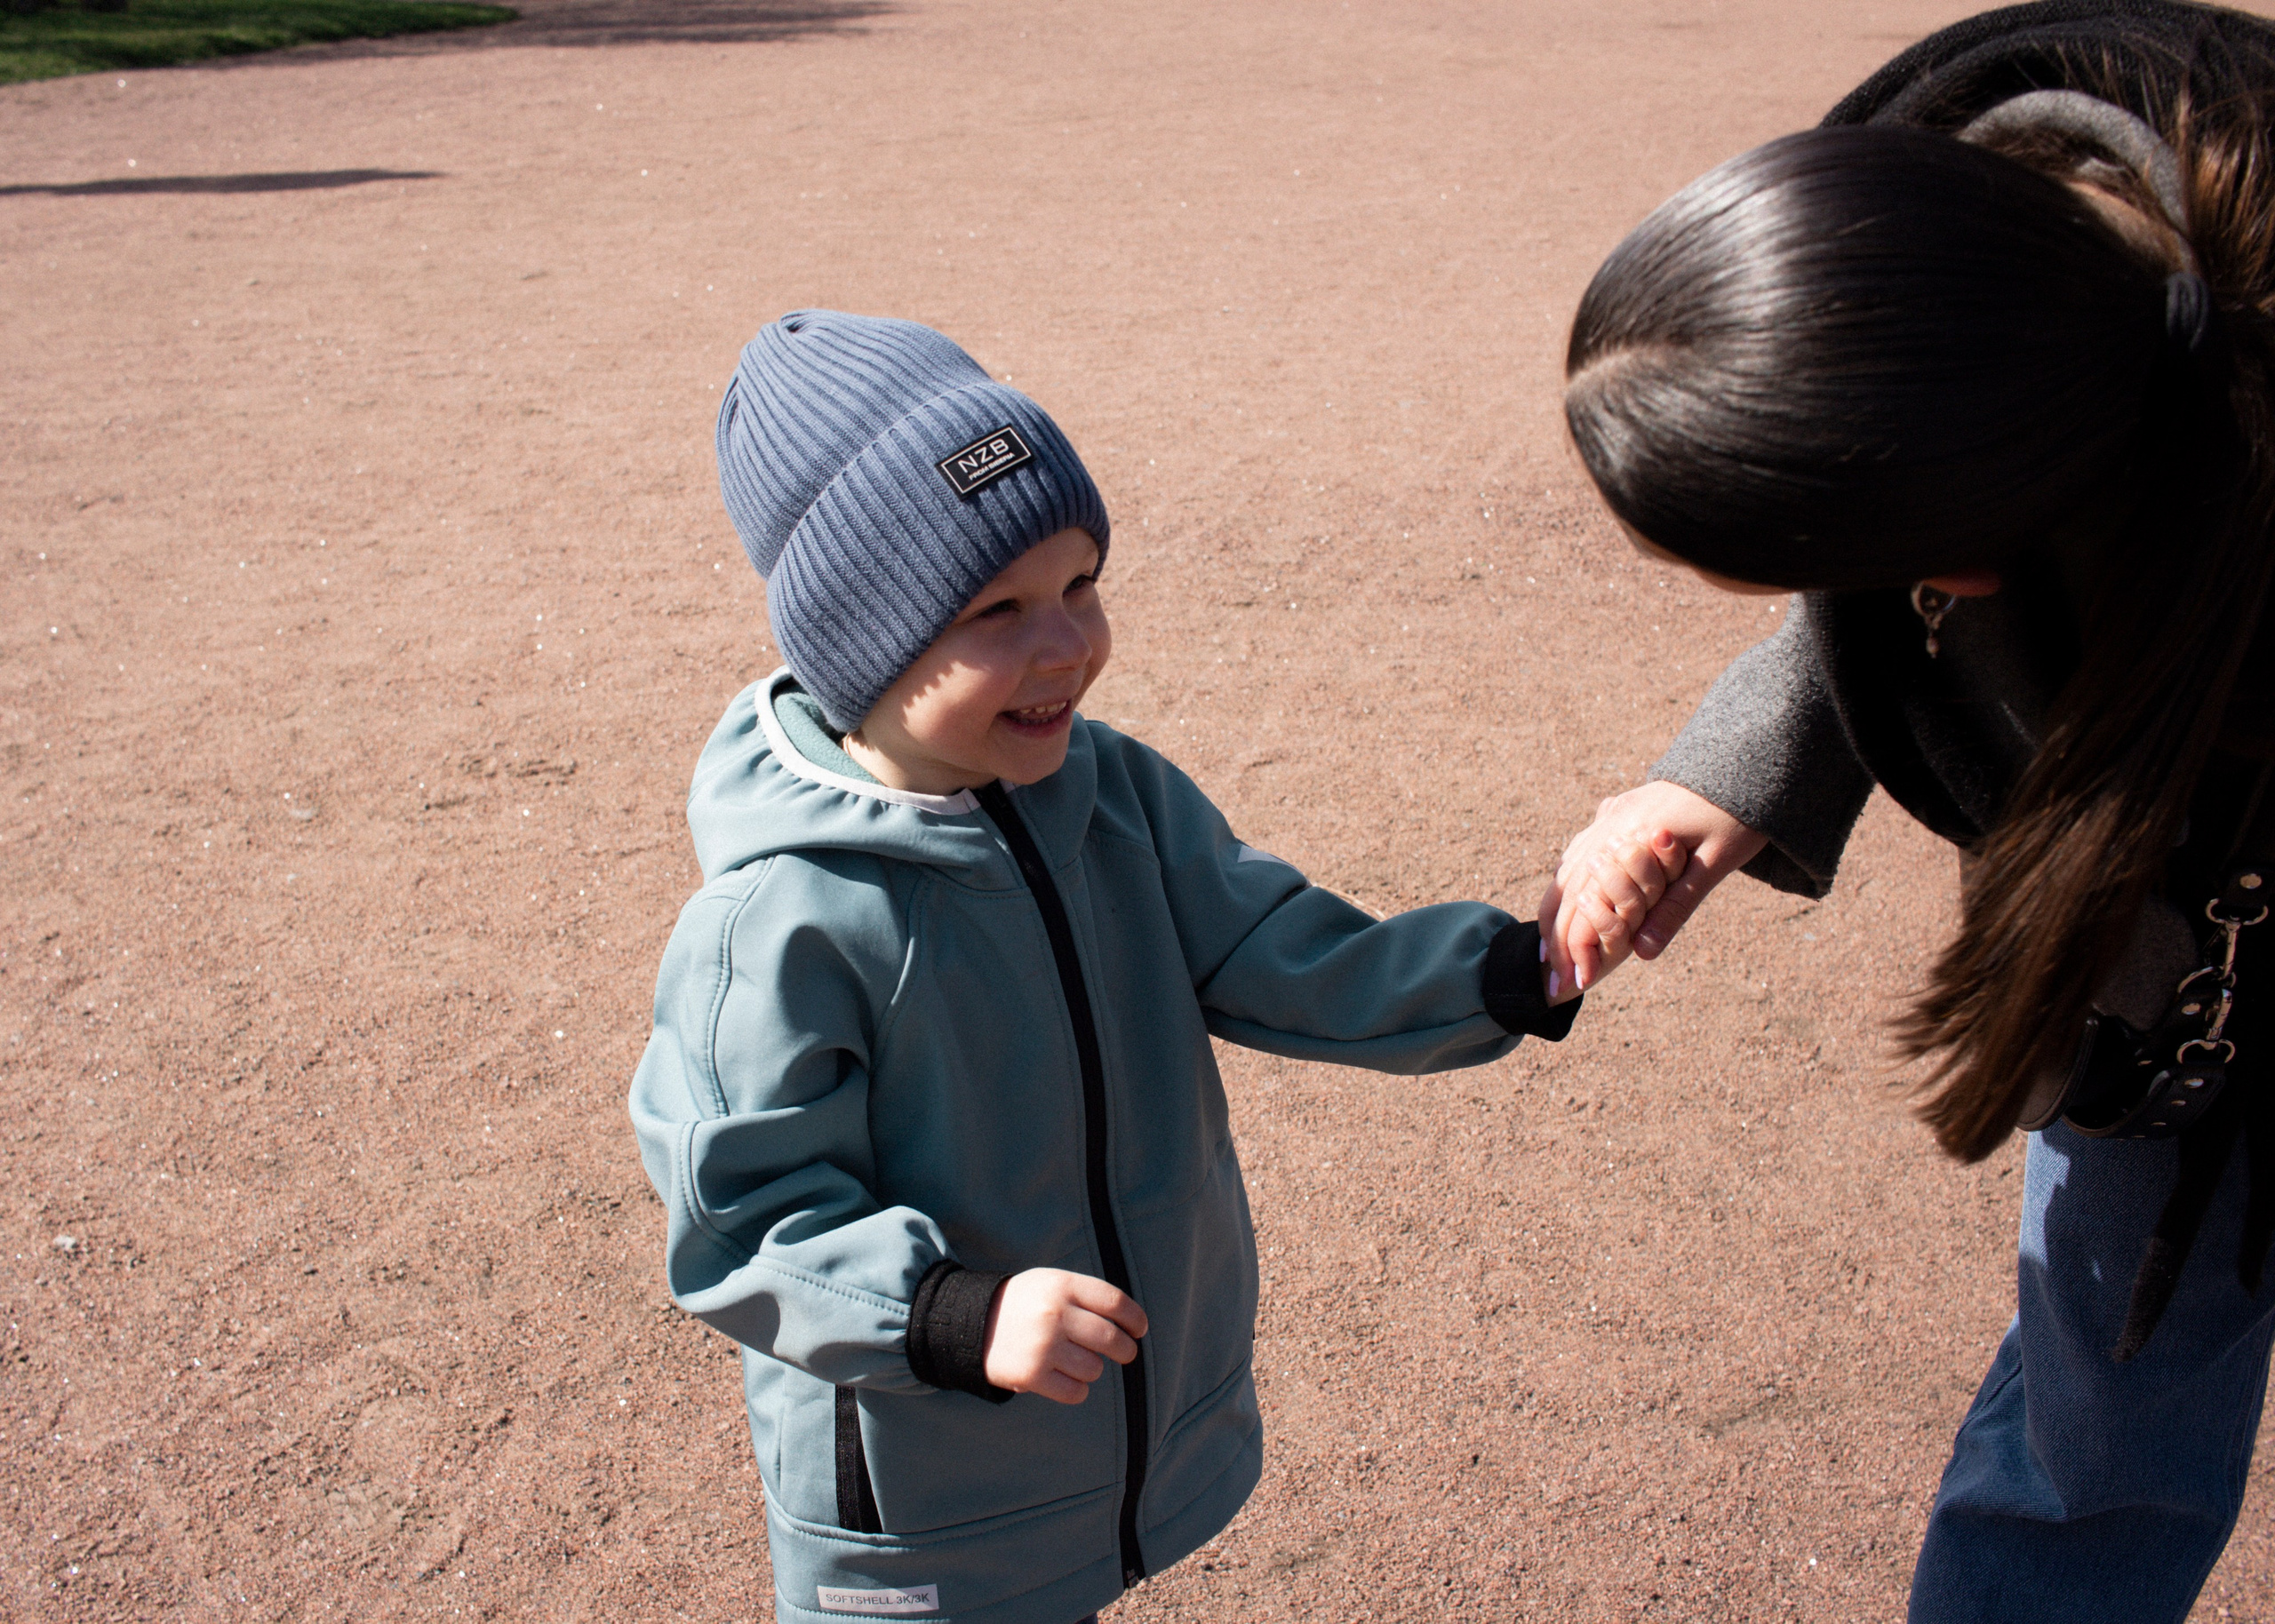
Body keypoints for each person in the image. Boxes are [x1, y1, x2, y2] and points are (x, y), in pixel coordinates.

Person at [627, 311, 1654, 1624]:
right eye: (997, 611)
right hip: (930, 1487)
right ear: (862, 649)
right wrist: (946, 1315)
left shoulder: (1112, 793)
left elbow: (1280, 948)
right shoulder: (781, 918)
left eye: (1081, 584)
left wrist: (1508, 969)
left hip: (1118, 1423)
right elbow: (745, 1214)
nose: (1066, 646)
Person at [1541, 4, 2275, 1619]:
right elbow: (1874, 593)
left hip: (2190, 932)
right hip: (2156, 1009)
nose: (1885, 602)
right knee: (2096, 1421)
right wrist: (1722, 773)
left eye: (1892, 563)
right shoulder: (2001, 325)